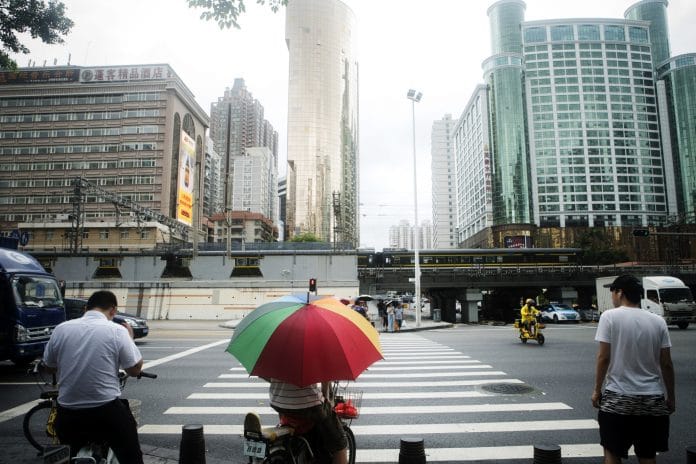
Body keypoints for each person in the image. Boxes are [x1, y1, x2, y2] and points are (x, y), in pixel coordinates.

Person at [42, 290, 144, 463]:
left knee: (65, 454)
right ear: (112, 310)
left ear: (85, 309)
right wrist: (131, 340)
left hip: (67, 412)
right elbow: (134, 370)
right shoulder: (117, 331)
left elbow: (49, 367)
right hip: (105, 410)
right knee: (131, 455)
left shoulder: (61, 329)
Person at [591, 275, 675, 464]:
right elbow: (667, 363)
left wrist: (597, 390)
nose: (612, 296)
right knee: (647, 455)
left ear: (620, 293)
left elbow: (603, 358)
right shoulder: (658, 321)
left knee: (612, 452)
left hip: (618, 398)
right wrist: (671, 397)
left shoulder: (609, 317)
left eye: (612, 292)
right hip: (652, 399)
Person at [267, 379, 348, 464]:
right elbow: (325, 377)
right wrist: (326, 398)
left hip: (278, 403)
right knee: (339, 442)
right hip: (310, 406)